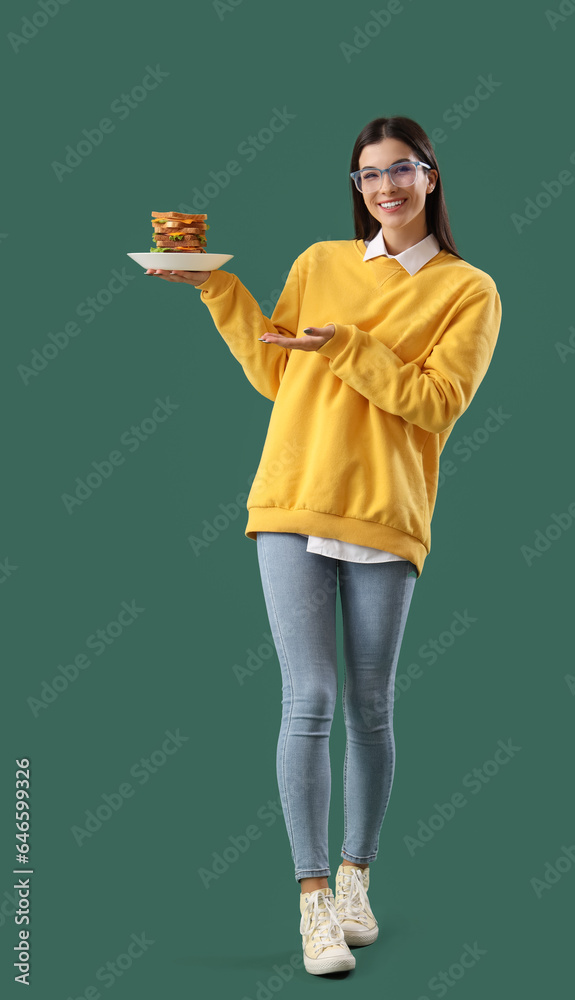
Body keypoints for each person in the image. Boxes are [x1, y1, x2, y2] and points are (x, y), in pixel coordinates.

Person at [146, 114, 502, 977]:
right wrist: (213, 289)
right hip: (291, 499)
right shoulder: (318, 263)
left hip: (383, 510)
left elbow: (435, 399)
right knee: (305, 698)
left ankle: (355, 880)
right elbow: (277, 372)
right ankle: (312, 902)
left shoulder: (468, 290)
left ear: (430, 177)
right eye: (367, 175)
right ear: (357, 188)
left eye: (400, 171)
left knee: (369, 705)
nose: (384, 187)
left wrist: (344, 344)